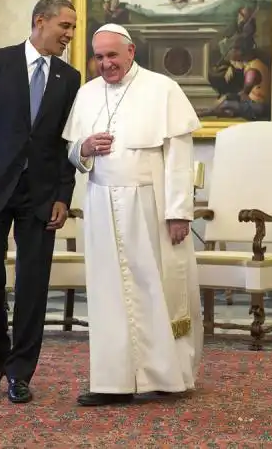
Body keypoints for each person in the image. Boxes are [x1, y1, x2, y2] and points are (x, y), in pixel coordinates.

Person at [0, 0, 81, 404]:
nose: (70, 36)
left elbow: (66, 143)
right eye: (65, 26)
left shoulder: (69, 77)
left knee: (33, 285)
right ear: (40, 21)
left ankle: (20, 373)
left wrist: (63, 194)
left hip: (39, 196)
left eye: (73, 29)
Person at [62, 23, 204, 407]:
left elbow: (178, 158)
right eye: (99, 56)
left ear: (130, 52)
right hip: (101, 204)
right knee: (109, 294)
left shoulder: (162, 89)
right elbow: (72, 152)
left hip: (150, 205)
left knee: (155, 289)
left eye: (112, 55)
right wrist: (84, 147)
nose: (106, 63)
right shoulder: (87, 93)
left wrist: (179, 212)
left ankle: (167, 376)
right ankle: (112, 381)